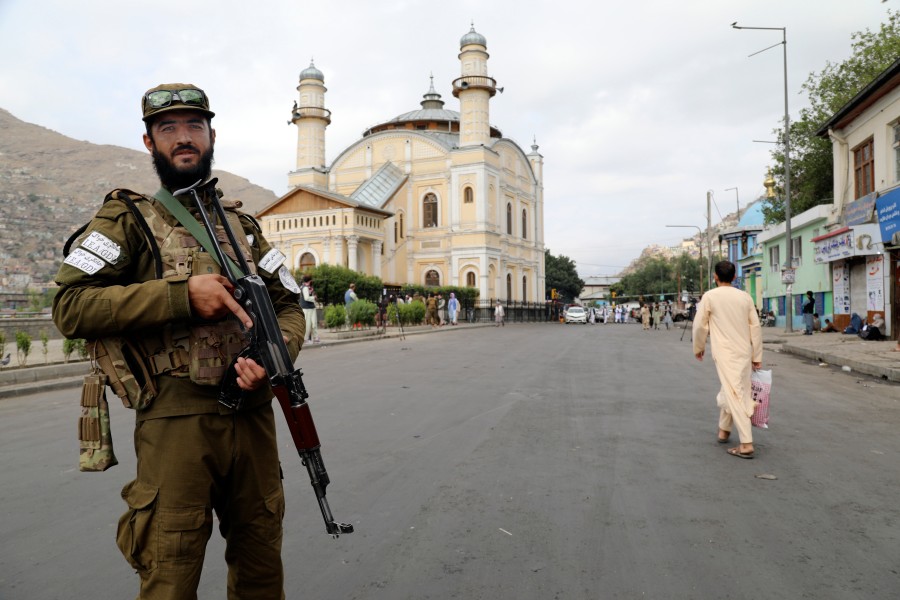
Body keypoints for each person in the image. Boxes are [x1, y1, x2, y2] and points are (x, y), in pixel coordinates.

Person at [52, 83, 306, 597]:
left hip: (254, 417)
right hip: (176, 421)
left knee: (261, 569)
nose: (183, 138)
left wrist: (271, 355)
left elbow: (290, 305)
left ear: (212, 135)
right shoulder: (127, 221)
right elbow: (70, 306)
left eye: (194, 126)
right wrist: (180, 296)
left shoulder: (245, 227)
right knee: (171, 571)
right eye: (168, 128)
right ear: (149, 142)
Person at [692, 261, 762, 459]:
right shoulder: (745, 297)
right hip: (744, 351)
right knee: (733, 387)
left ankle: (746, 443)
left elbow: (699, 326)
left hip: (724, 352)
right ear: (733, 277)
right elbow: (755, 327)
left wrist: (698, 347)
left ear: (715, 277)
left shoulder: (710, 296)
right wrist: (756, 355)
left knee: (734, 391)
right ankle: (724, 430)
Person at [300, 274, 319, 343]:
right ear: (310, 280)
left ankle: (316, 338)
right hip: (306, 308)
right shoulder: (305, 288)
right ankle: (306, 338)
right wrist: (314, 298)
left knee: (314, 323)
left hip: (311, 307)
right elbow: (306, 298)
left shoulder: (308, 287)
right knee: (308, 324)